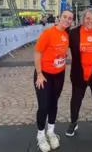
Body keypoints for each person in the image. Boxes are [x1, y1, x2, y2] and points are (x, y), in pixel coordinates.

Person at [33, 9, 74, 152]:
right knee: (44, 106)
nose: (67, 20)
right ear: (59, 17)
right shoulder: (48, 33)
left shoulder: (67, 34)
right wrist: (39, 74)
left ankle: (51, 132)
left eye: (70, 18)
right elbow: (38, 53)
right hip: (44, 75)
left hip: (59, 74)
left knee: (54, 103)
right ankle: (40, 135)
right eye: (65, 17)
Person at [65, 8, 92, 139]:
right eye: (87, 18)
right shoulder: (73, 33)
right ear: (83, 19)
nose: (90, 21)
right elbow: (59, 41)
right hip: (79, 74)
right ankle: (73, 122)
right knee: (76, 100)